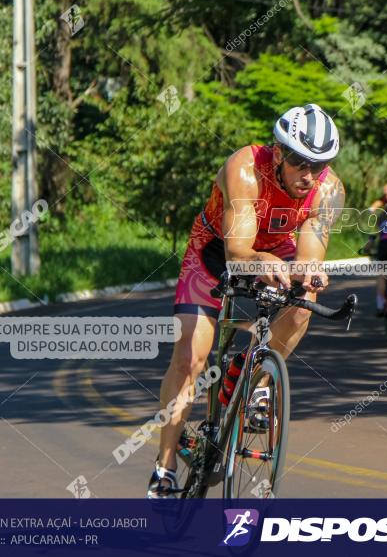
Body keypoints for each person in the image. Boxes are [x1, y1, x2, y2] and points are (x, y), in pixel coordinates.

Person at [148, 104, 345, 498]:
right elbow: (239, 252)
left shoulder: (329, 190)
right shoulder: (245, 168)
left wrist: (309, 271)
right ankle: (165, 467)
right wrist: (261, 261)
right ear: (277, 150)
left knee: (306, 293)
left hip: (277, 252)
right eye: (298, 161)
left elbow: (308, 256)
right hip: (216, 253)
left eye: (319, 165)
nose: (308, 175)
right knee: (190, 357)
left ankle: (258, 376)